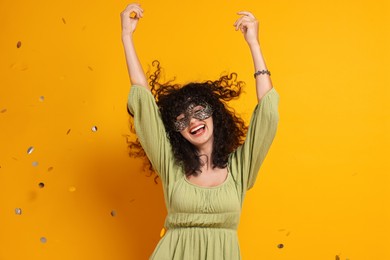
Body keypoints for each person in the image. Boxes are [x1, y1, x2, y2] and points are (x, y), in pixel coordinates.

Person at [121, 3, 280, 259]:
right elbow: (143, 101)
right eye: (181, 119)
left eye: (199, 111)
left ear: (215, 114)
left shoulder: (240, 168)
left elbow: (268, 113)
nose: (192, 122)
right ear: (176, 131)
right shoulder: (171, 166)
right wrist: (127, 36)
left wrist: (255, 45)